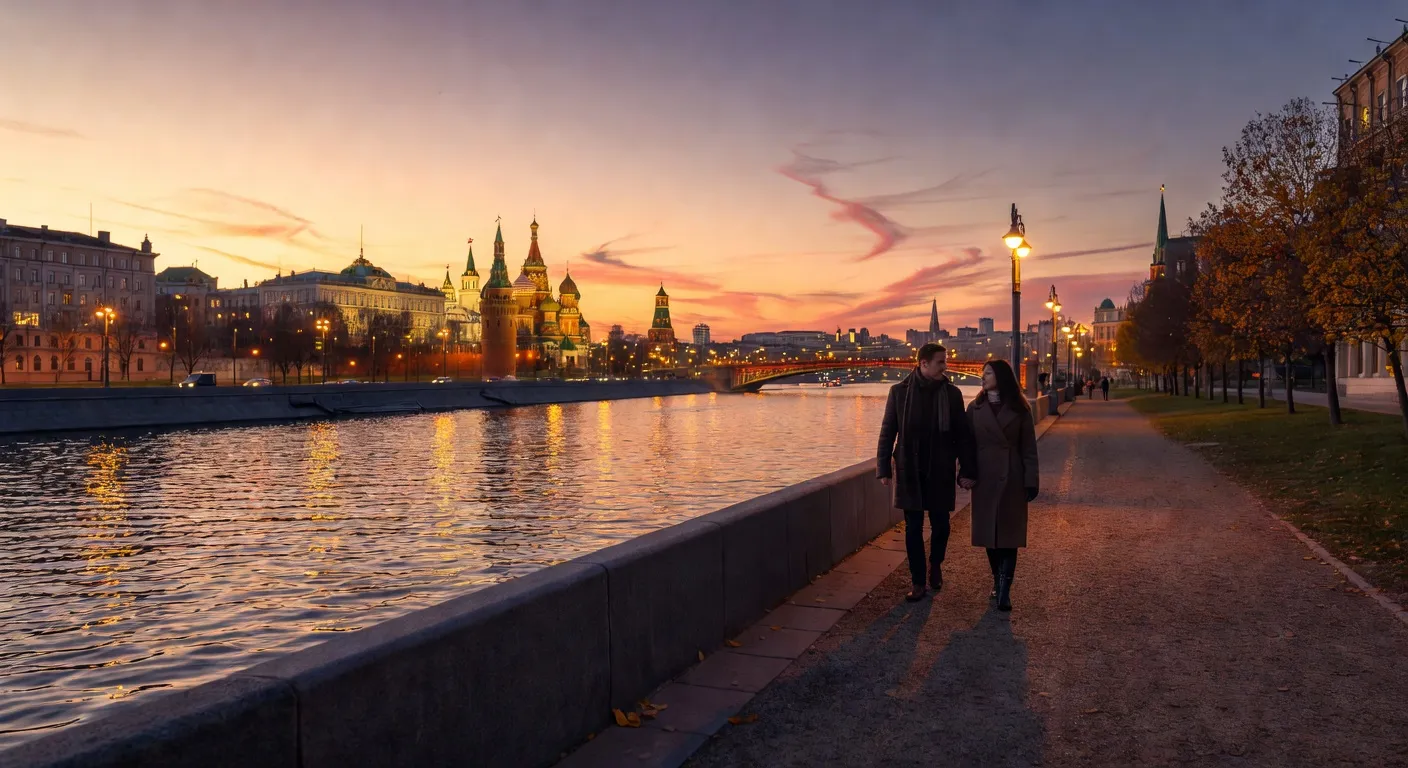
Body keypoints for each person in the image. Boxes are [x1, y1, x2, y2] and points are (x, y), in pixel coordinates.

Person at [876, 343, 977, 602]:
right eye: (940, 362)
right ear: (923, 364)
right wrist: (883, 467)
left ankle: (936, 563)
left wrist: (967, 468)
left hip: (941, 467)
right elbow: (888, 431)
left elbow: (962, 436)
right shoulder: (899, 392)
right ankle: (918, 581)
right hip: (909, 466)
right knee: (913, 528)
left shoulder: (952, 394)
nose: (945, 366)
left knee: (941, 525)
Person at [967, 359, 1038, 612]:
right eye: (983, 373)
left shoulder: (1020, 409)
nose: (982, 377)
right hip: (985, 478)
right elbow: (967, 447)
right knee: (989, 535)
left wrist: (1031, 481)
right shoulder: (974, 408)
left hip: (1012, 478)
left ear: (1001, 377)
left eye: (987, 373)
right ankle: (997, 579)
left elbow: (1029, 448)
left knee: (1008, 535)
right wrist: (965, 473)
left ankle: (1004, 590)